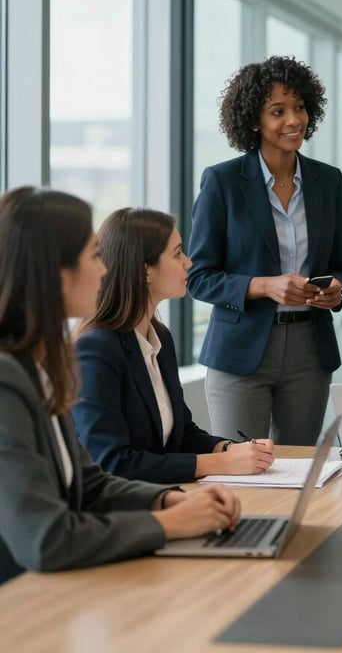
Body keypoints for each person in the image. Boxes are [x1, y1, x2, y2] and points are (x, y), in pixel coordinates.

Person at [0, 187, 242, 585]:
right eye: (94, 255)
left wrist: (168, 500)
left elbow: (90, 484)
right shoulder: (8, 381)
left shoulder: (42, 366)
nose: (104, 269)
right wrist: (168, 524)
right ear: (57, 274)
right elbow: (46, 539)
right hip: (24, 604)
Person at [187, 56, 342, 444]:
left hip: (310, 350)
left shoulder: (328, 182)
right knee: (244, 472)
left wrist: (336, 289)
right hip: (241, 351)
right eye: (278, 111)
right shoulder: (222, 182)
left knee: (299, 471)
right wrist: (264, 286)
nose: (293, 120)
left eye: (299, 108)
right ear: (253, 120)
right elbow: (198, 277)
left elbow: (340, 265)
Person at [73, 208, 275, 484]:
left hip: (164, 496)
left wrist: (230, 449)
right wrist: (221, 462)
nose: (189, 262)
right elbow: (112, 463)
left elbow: (183, 434)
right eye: (178, 253)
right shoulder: (96, 350)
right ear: (145, 270)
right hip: (120, 514)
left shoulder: (160, 338)